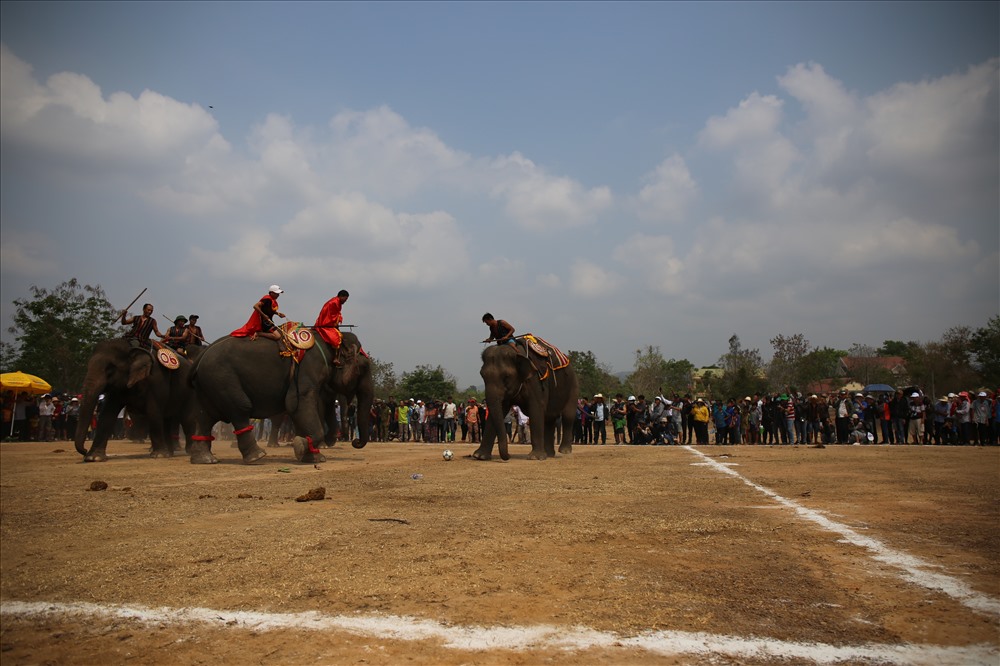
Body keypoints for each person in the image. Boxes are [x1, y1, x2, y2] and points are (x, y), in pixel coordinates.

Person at [314, 290, 350, 365]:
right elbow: (332, 317)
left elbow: (336, 314)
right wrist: (336, 323)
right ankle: (336, 358)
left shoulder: (337, 302)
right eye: (345, 299)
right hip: (325, 325)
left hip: (328, 323)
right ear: (341, 296)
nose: (345, 301)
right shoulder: (334, 302)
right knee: (337, 338)